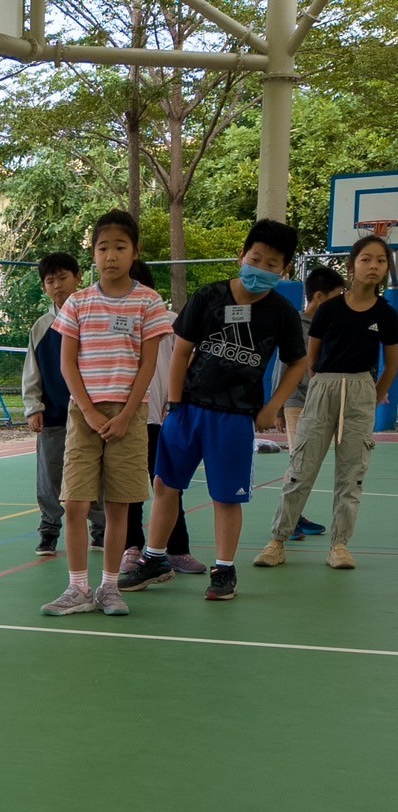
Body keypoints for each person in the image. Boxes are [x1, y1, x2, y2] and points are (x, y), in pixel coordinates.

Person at [119, 219, 307, 599]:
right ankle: (155, 559)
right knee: (165, 485)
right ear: (242, 256)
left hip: (236, 418)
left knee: (226, 496)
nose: (262, 268)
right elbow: (181, 351)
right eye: (256, 258)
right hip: (188, 410)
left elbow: (298, 362)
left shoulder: (282, 312)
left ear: (283, 270)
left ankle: (224, 570)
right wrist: (175, 404)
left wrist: (272, 406)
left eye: (272, 264)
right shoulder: (209, 297)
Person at [40, 210, 173, 617]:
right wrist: (91, 413)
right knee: (76, 504)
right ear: (93, 255)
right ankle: (77, 587)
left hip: (129, 416)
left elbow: (148, 366)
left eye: (119, 247)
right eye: (102, 248)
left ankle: (110, 587)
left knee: (119, 506)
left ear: (135, 252)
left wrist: (126, 414)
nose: (110, 255)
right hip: (84, 415)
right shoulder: (78, 303)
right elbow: (67, 365)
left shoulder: (149, 302)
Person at [253, 236, 398, 570]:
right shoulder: (330, 309)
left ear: (387, 268)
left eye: (380, 260)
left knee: (352, 474)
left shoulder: (387, 315)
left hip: (361, 390)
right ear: (352, 266)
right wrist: (323, 385)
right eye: (366, 259)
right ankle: (277, 540)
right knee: (301, 467)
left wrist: (373, 396)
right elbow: (312, 357)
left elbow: (391, 364)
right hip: (323, 387)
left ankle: (339, 545)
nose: (373, 266)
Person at [121, 260, 206, 576]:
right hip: (128, 418)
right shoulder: (117, 323)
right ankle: (131, 548)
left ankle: (178, 549)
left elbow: (187, 362)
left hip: (164, 419)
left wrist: (178, 405)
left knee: (169, 487)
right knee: (129, 489)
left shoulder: (171, 323)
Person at [21, 252, 106, 557]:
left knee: (95, 473)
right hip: (54, 415)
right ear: (45, 286)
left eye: (62, 278)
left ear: (78, 277)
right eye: (50, 280)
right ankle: (48, 531)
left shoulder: (96, 318)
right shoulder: (42, 327)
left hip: (92, 415)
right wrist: (34, 407)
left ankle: (100, 528)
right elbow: (32, 371)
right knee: (49, 475)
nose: (57, 285)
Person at [271, 265, 346, 541]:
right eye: (337, 295)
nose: (342, 300)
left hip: (322, 402)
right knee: (299, 463)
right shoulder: (298, 326)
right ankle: (288, 522)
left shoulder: (330, 327)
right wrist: (278, 408)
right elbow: (283, 367)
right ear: (319, 296)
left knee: (308, 464)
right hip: (297, 401)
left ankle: (296, 516)